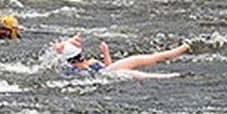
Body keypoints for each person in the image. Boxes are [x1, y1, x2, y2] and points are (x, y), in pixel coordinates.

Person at [48, 34, 190, 77]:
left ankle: (183, 48)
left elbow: (108, 66)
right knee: (129, 72)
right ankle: (167, 77)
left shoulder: (90, 61)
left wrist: (106, 52)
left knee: (145, 58)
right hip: (108, 75)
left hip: (109, 70)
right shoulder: (73, 70)